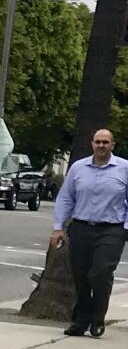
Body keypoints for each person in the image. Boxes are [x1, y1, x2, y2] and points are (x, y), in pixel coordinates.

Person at [51, 128, 128, 338]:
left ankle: (97, 318)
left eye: (105, 142)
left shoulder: (124, 168)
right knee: (81, 276)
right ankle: (80, 321)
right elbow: (66, 198)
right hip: (82, 227)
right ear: (92, 143)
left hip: (112, 229)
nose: (101, 146)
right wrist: (58, 227)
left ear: (113, 145)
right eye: (98, 142)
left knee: (100, 273)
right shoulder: (78, 168)